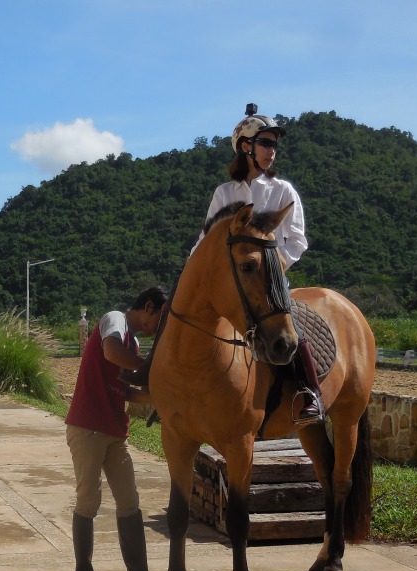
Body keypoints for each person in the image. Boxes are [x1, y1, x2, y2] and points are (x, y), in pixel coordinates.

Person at [122, 103, 323, 422]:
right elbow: (204, 239)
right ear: (247, 147)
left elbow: (297, 241)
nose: (272, 150)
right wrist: (190, 273)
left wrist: (273, 267)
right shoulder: (225, 193)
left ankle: (310, 391)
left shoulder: (284, 191)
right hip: (224, 277)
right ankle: (156, 377)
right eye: (266, 143)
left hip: (269, 276)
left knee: (289, 323)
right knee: (175, 307)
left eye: (274, 144)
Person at [66, 287, 167, 571]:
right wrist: (148, 367)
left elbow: (127, 393)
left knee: (130, 502)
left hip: (114, 431)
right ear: (147, 308)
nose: (158, 329)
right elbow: (110, 352)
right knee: (88, 502)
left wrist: (161, 393)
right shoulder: (114, 321)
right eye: (158, 321)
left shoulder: (133, 342)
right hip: (87, 428)